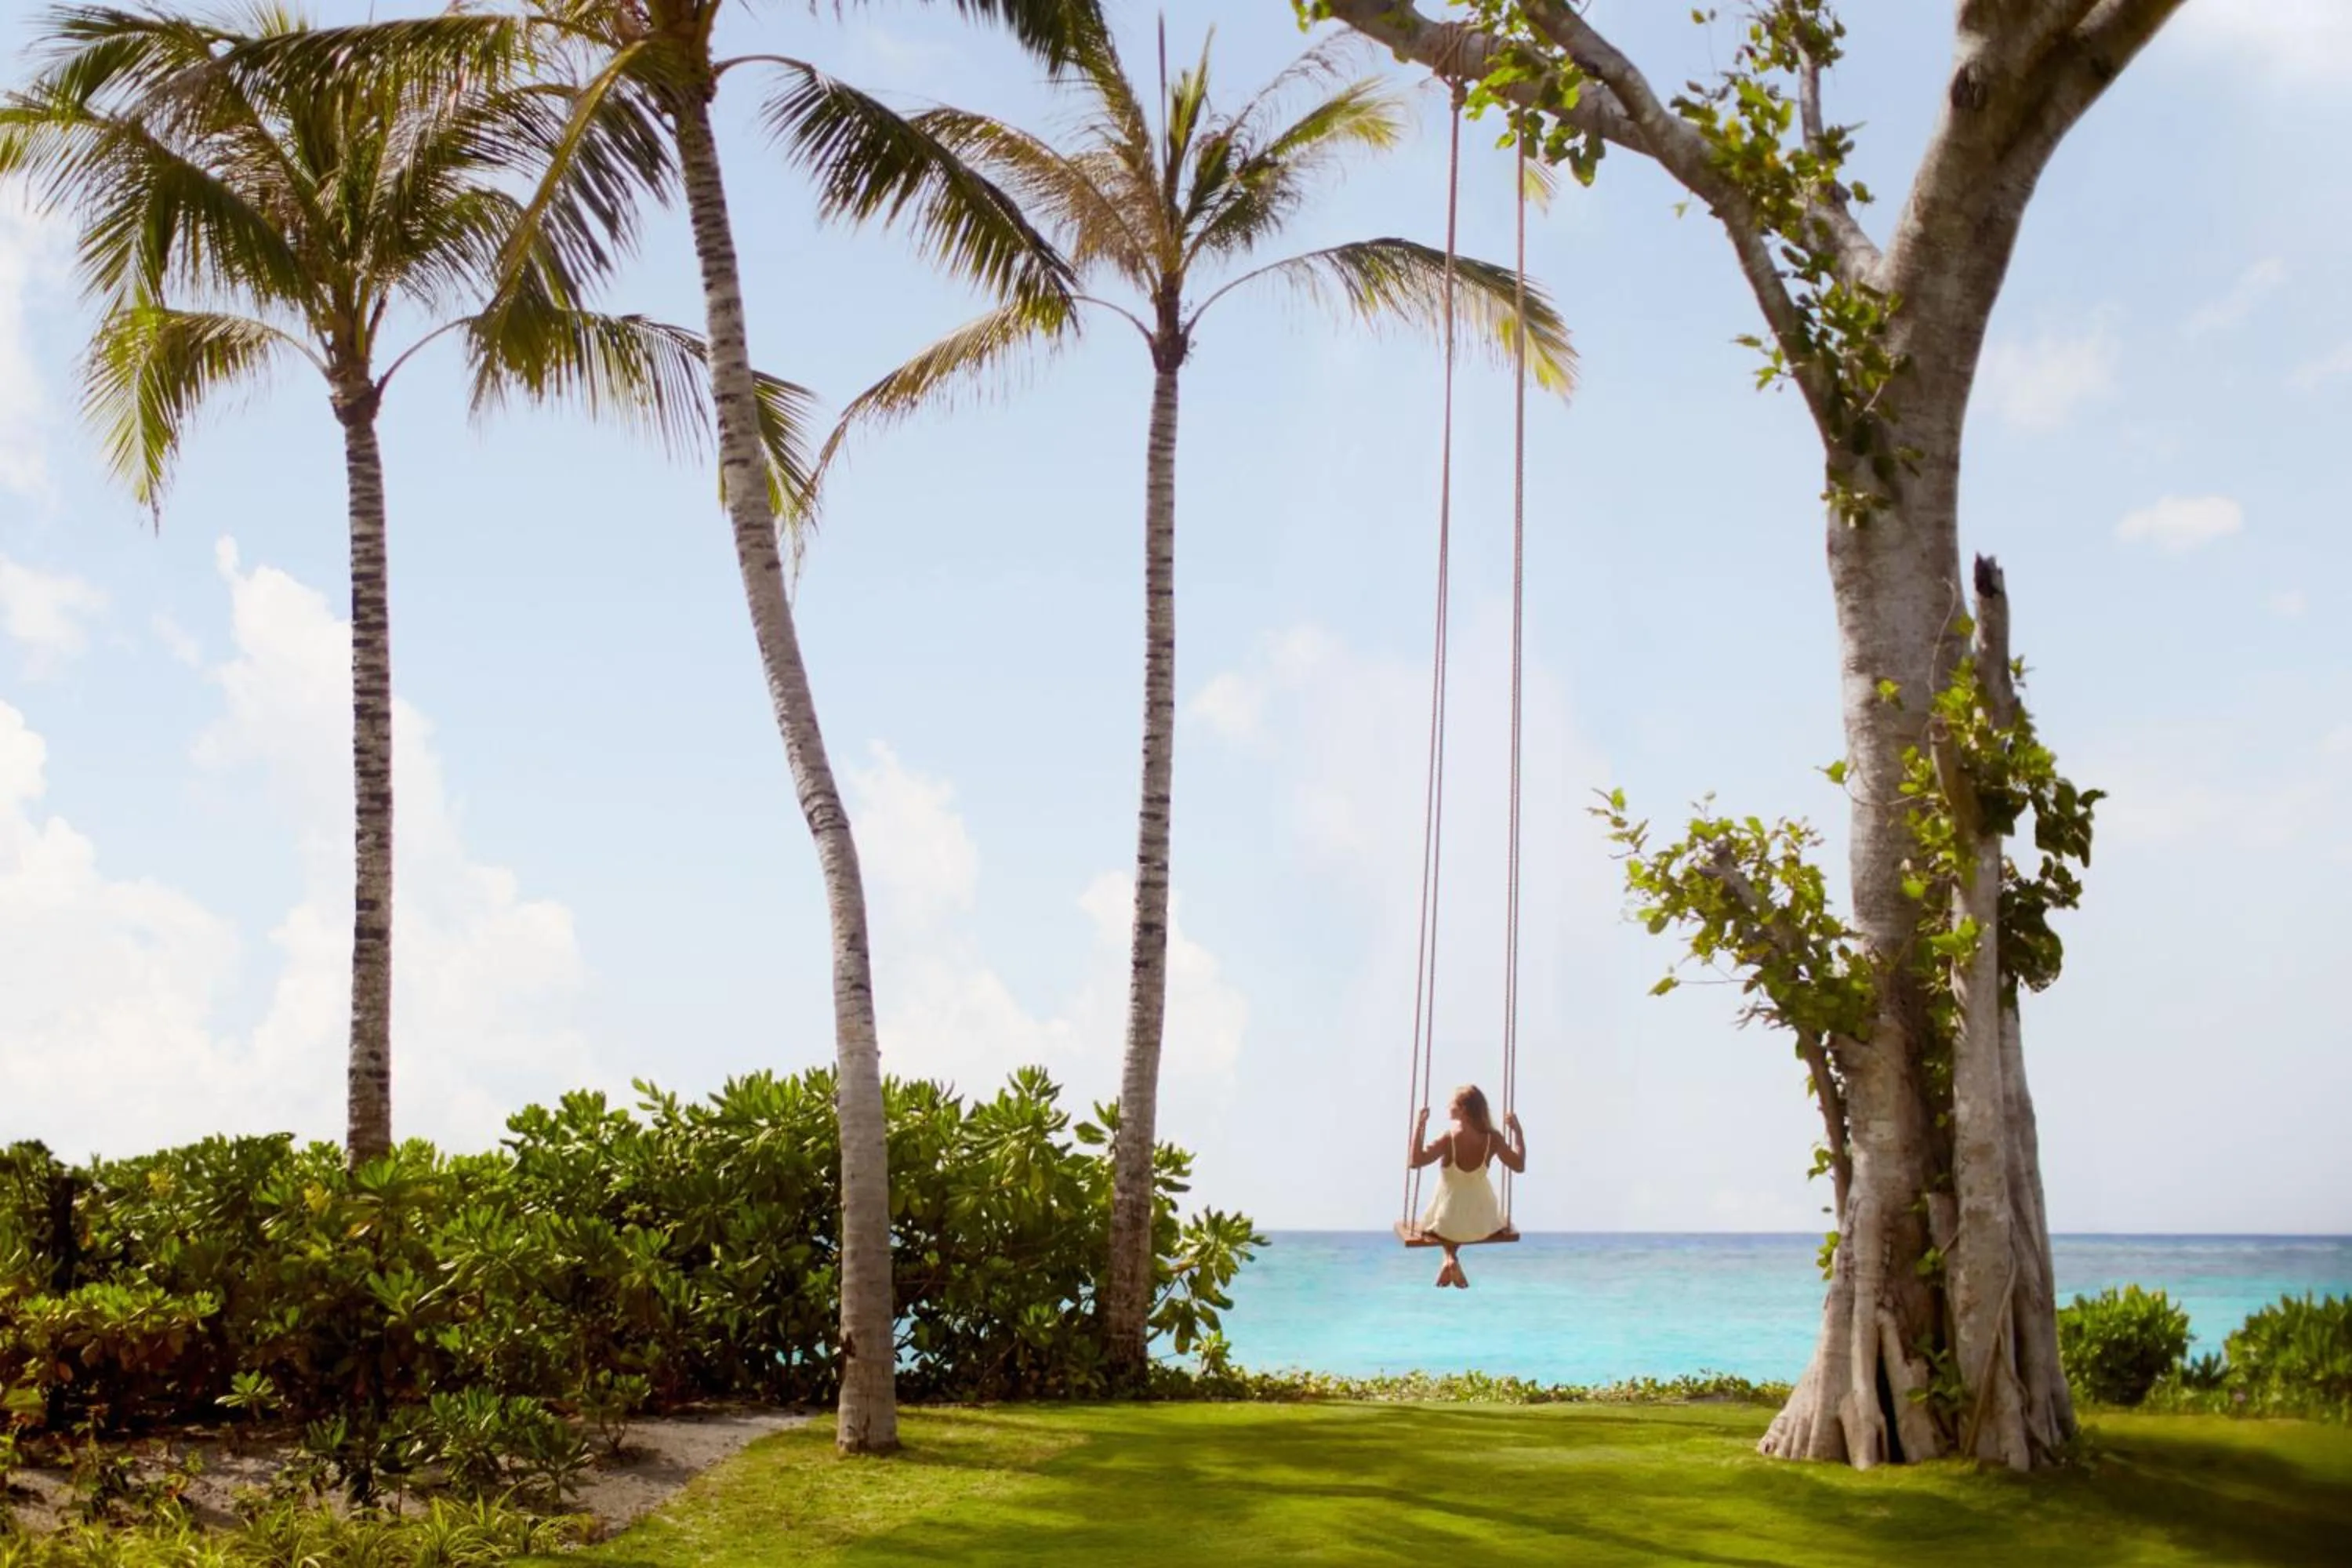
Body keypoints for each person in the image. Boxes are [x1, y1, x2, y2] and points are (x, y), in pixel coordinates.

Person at [1408, 1085, 1526, 1288]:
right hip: (1482, 1223)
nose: (1448, 1106)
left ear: (1463, 1109)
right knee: (1460, 1218)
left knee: (1440, 1223)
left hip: (1447, 1221)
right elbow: (1519, 1165)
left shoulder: (1449, 1139)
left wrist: (1419, 1127)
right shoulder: (1493, 1138)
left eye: (1452, 1103)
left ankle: (1449, 1259)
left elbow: (1415, 1161)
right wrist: (1518, 1133)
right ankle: (1451, 1258)